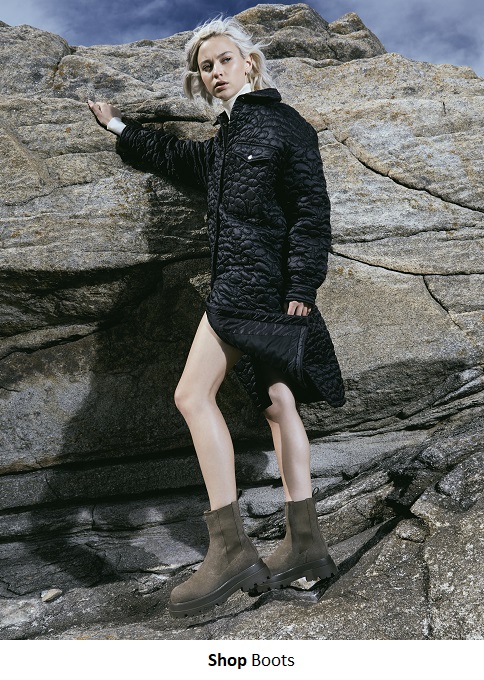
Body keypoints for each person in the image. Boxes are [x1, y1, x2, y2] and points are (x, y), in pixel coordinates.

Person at [88, 15, 345, 618]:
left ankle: (230, 549)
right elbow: (179, 158)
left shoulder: (287, 126)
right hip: (250, 289)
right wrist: (119, 126)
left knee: (191, 395)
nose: (215, 72)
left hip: (255, 291)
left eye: (224, 60)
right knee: (278, 405)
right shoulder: (226, 140)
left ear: (249, 62)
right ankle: (306, 545)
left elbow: (312, 211)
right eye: (206, 67)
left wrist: (302, 285)